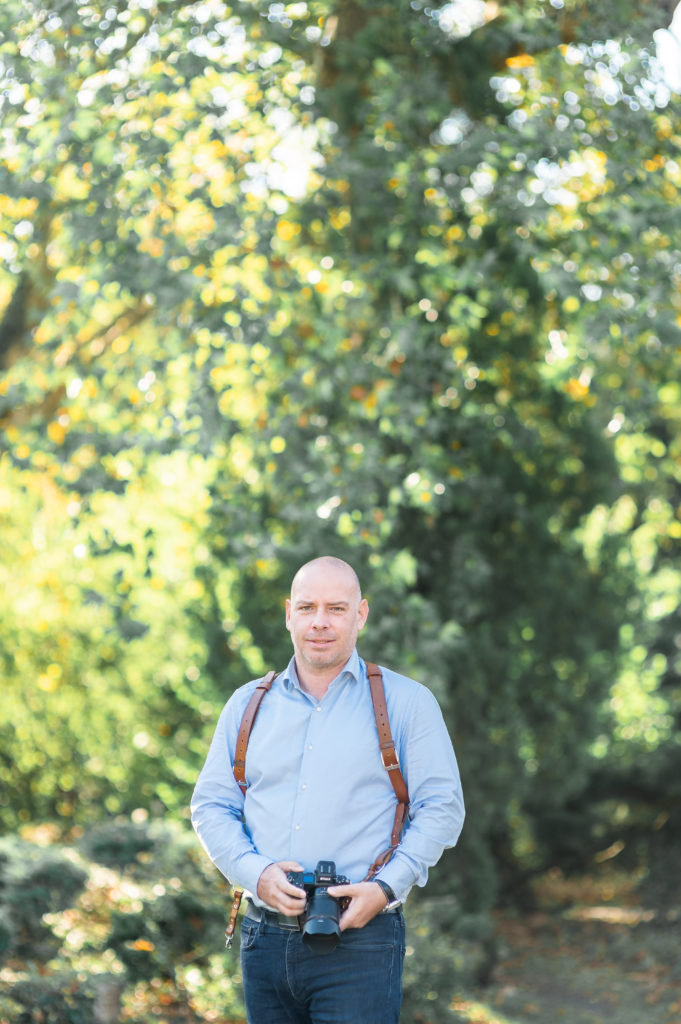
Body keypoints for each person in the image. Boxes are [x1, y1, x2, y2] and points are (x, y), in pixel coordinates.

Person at [191, 555, 465, 1024]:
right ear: (288, 614)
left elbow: (442, 809)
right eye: (307, 607)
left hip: (362, 941)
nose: (319, 622)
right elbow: (211, 806)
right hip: (262, 941)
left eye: (336, 609)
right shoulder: (246, 705)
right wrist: (255, 874)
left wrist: (385, 887)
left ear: (360, 614)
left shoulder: (407, 703)